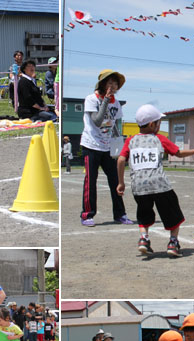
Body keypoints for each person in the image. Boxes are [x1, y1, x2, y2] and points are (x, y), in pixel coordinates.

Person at [117, 104, 194, 257]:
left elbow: (120, 160)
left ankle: (144, 239)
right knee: (173, 214)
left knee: (143, 213)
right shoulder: (159, 139)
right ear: (152, 124)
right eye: (158, 122)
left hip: (139, 186)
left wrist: (121, 182)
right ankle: (173, 242)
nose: (159, 125)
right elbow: (178, 153)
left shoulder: (130, 141)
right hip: (160, 185)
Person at [80, 70, 133, 227]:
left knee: (115, 181)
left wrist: (119, 144)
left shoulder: (116, 103)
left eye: (115, 84)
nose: (113, 86)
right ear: (102, 84)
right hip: (91, 145)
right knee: (91, 181)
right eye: (110, 83)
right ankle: (87, 215)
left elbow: (115, 124)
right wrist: (105, 100)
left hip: (108, 148)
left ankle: (120, 214)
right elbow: (97, 121)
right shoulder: (91, 99)